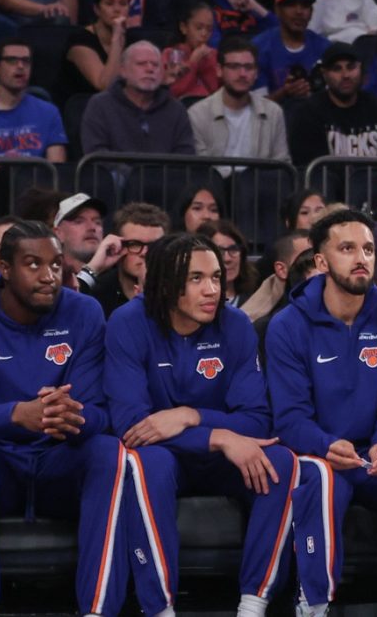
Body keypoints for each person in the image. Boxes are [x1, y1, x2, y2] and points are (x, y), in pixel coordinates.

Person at [264, 209, 377, 617]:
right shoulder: (288, 325)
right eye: (347, 248)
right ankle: (314, 605)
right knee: (319, 477)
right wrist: (325, 444)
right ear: (321, 261)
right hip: (321, 452)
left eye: (367, 249)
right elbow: (289, 417)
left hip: (376, 454)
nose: (362, 258)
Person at [0, 220, 130, 617]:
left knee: (109, 451)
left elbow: (101, 413)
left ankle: (98, 610)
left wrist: (70, 416)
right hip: (0, 463)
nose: (49, 276)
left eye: (57, 264)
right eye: (33, 264)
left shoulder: (85, 312)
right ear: (4, 268)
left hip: (61, 459)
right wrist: (18, 415)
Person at [104, 233, 296, 617]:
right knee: (147, 464)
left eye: (216, 277)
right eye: (196, 279)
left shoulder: (236, 324)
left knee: (282, 462)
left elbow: (257, 419)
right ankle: (159, 608)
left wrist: (192, 417)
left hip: (218, 455)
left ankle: (253, 604)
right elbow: (132, 426)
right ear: (164, 283)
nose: (212, 290)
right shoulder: (127, 322)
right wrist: (220, 435)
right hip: (165, 456)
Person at [288, 42, 377, 167]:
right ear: (324, 74)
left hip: (373, 184)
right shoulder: (308, 113)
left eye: (351, 67)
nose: (346, 75)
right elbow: (306, 167)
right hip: (326, 185)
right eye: (337, 69)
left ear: (361, 69)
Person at [189, 37, 293, 167]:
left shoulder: (273, 113)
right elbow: (199, 169)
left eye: (248, 67)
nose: (242, 74)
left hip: (259, 185)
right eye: (234, 67)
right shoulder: (198, 114)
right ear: (219, 70)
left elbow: (282, 166)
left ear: (256, 73)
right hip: (214, 186)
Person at [0, 38, 68, 161]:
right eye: (12, 60)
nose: (20, 66)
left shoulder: (49, 112)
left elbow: (56, 168)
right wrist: (8, 165)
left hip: (37, 180)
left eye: (26, 61)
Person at [81, 41, 196, 157]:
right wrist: (132, 175)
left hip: (166, 175)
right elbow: (97, 155)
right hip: (117, 175)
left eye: (155, 65)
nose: (150, 69)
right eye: (141, 64)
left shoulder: (176, 109)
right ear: (123, 70)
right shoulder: (100, 106)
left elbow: (185, 158)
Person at [253, 0, 329, 104]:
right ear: (277, 10)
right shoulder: (258, 47)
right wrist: (285, 93)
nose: (299, 11)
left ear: (311, 12)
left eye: (305, 5)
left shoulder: (325, 48)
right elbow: (256, 108)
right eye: (291, 4)